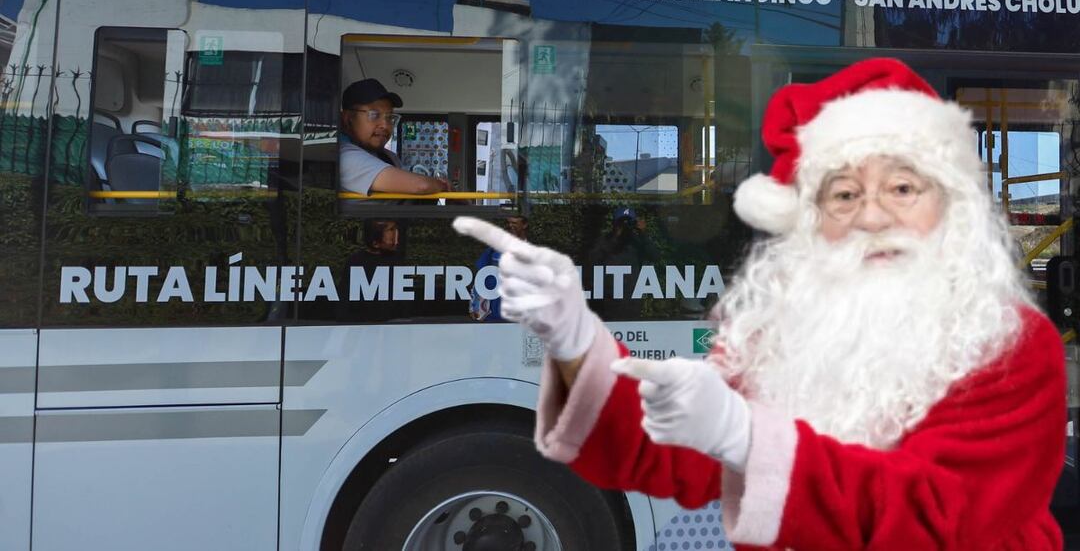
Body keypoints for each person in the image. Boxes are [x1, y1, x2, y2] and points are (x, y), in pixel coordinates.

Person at [454, 58, 1067, 549]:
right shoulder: (780, 342)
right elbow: (665, 452)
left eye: (902, 187)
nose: (874, 216)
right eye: (844, 195)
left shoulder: (1010, 344)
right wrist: (573, 337)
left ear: (951, 205)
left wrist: (748, 437)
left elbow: (941, 520)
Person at [339, 78, 448, 196]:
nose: (385, 125)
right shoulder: (345, 157)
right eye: (374, 115)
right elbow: (421, 186)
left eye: (390, 118)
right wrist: (443, 185)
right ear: (348, 118)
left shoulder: (388, 156)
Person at [469, 215, 528, 321]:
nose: (510, 226)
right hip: (494, 316)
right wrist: (475, 305)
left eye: (514, 223)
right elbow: (481, 277)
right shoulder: (494, 250)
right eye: (508, 223)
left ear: (524, 225)